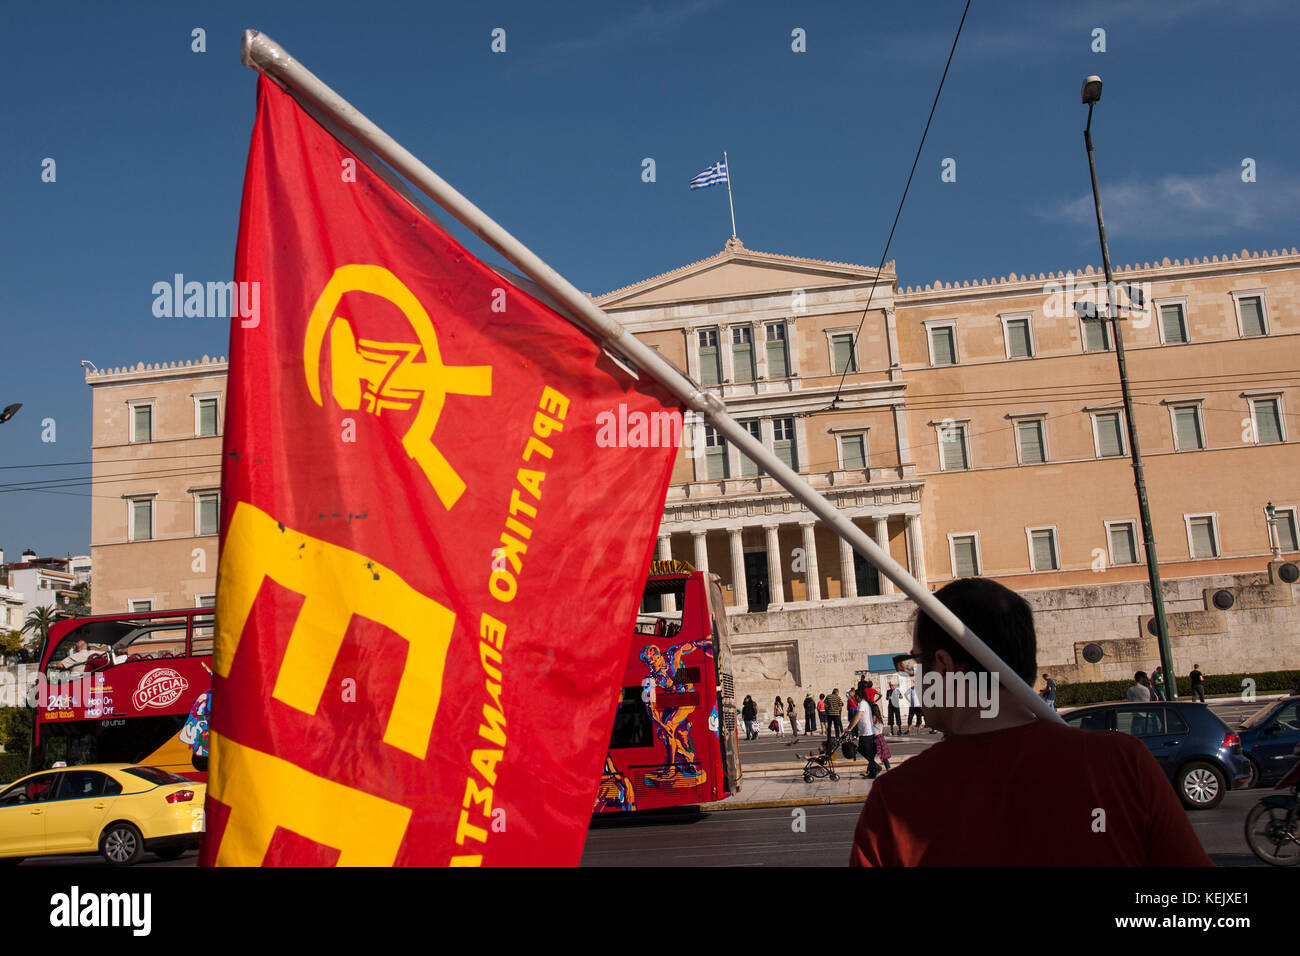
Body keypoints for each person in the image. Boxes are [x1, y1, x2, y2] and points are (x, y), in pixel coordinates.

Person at [849, 577, 1213, 866]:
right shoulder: (1124, 762)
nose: (917, 676)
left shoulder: (896, 798)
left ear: (944, 665)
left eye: (918, 661)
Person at [847, 684, 880, 777]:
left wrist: (850, 728)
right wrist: (849, 727)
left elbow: (857, 716)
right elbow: (856, 717)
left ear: (858, 696)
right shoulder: (862, 704)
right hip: (864, 732)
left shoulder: (862, 704)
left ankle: (873, 771)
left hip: (867, 732)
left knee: (868, 752)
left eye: (855, 696)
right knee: (862, 750)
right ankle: (874, 767)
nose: (854, 698)